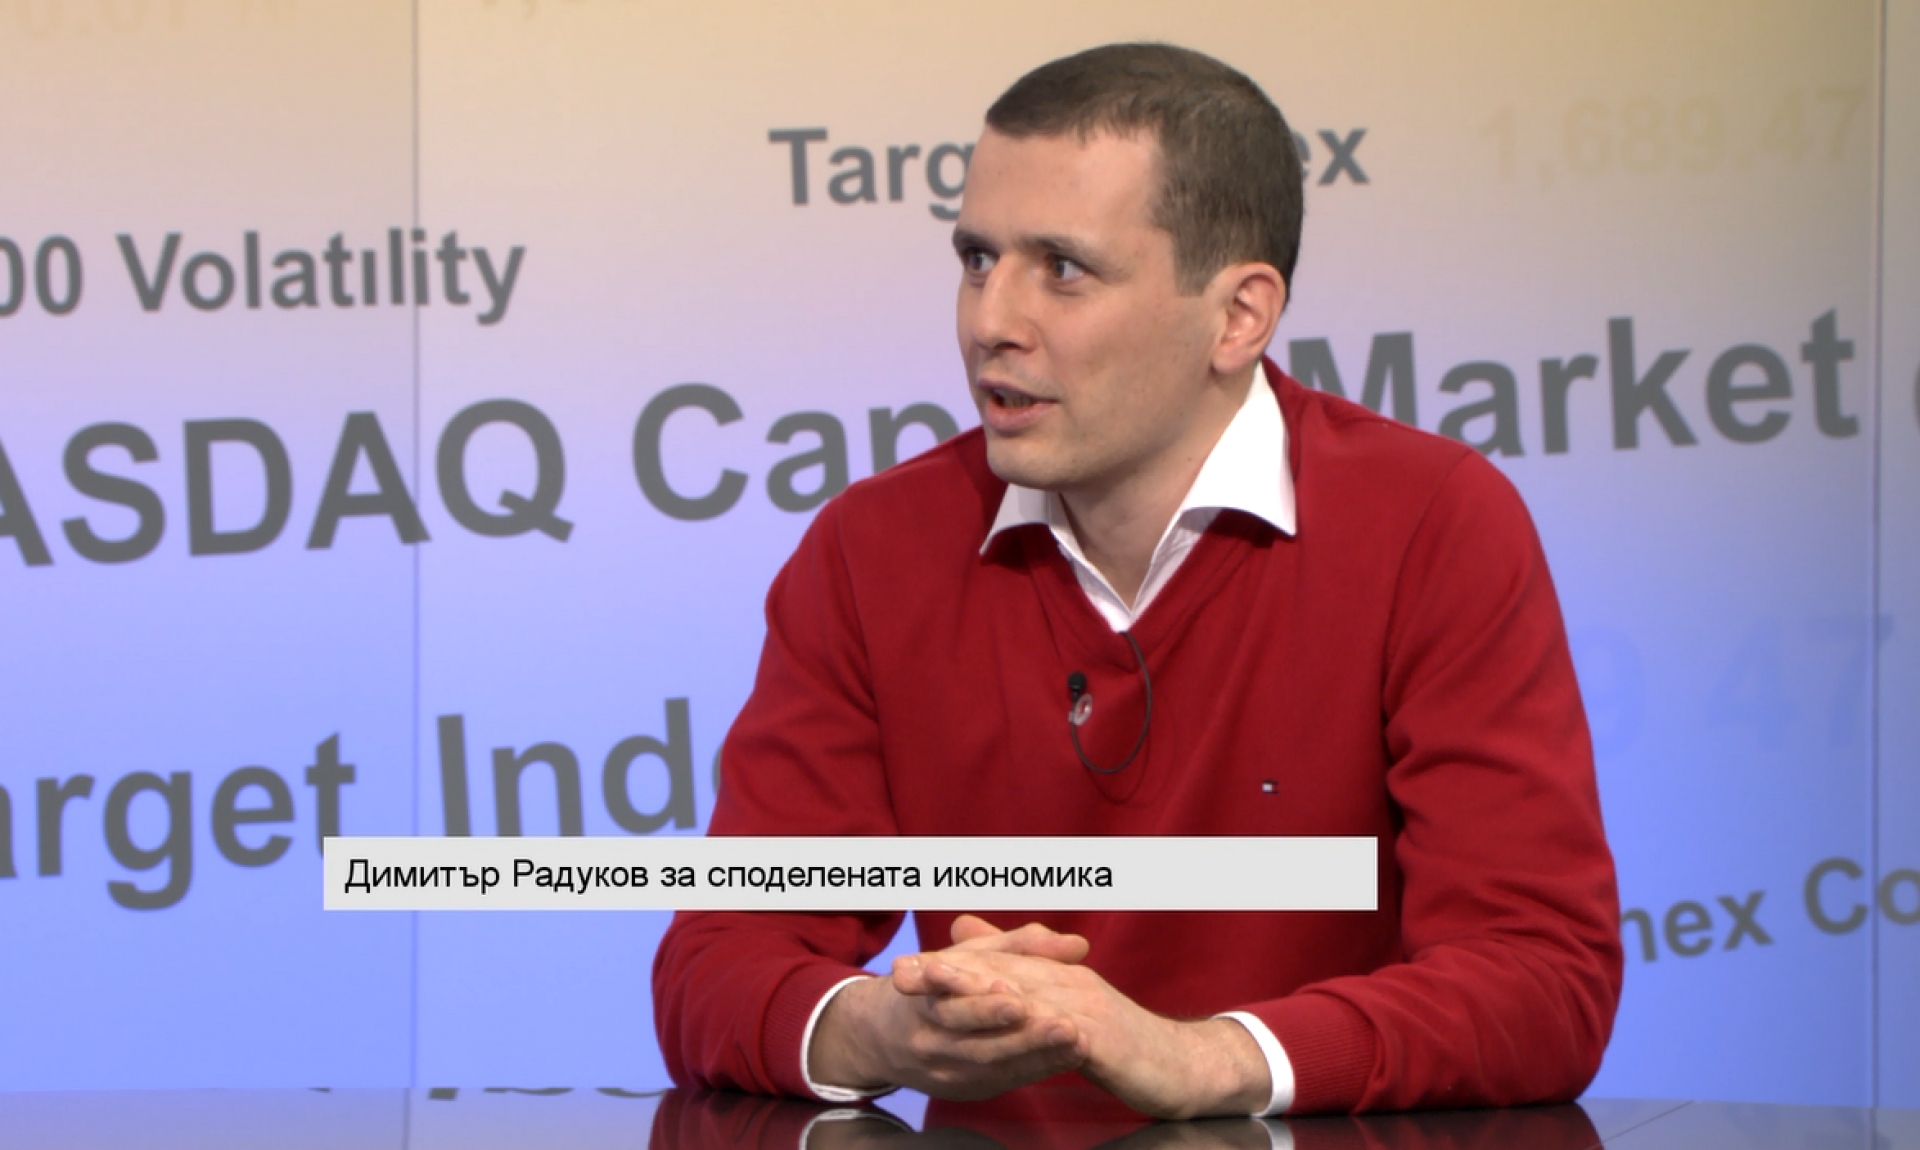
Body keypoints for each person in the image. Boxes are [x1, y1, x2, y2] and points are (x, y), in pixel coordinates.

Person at [652, 42, 1622, 1118]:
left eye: (1062, 269)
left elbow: (1541, 980)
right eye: (978, 258)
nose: (989, 321)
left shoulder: (1431, 522)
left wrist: (1209, 1059)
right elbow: (715, 966)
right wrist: (881, 1028)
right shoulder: (871, 548)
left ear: (1238, 316)